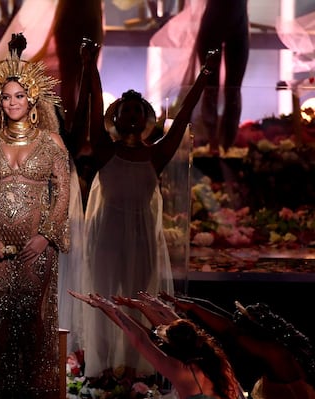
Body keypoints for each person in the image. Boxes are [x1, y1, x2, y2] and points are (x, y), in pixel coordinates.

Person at [76, 39, 218, 376]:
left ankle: (139, 369)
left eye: (137, 109)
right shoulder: (104, 149)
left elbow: (183, 116)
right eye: (126, 109)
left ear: (145, 118)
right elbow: (95, 102)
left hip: (141, 236)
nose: (131, 114)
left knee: (141, 302)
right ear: (117, 117)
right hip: (107, 234)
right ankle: (104, 368)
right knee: (105, 300)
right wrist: (88, 63)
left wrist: (204, 75)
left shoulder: (156, 154)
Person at [0, 48, 70, 398]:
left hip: (36, 246)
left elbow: (63, 193)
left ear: (33, 96)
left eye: (19, 95)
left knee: (32, 317)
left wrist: (46, 236)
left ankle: (35, 389)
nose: (13, 103)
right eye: (6, 97)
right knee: (2, 318)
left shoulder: (51, 142)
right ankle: (3, 389)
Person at [70, 291, 241, 399]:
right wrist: (145, 307)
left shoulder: (180, 370)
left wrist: (110, 307)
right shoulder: (217, 358)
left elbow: (140, 339)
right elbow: (180, 328)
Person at [160, 292, 315, 399]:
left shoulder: (275, 353)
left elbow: (231, 330)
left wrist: (193, 307)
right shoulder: (278, 349)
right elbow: (230, 325)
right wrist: (191, 305)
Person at [194, 0, 249, 154]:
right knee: (211, 89)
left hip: (237, 24)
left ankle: (227, 147)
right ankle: (213, 145)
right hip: (215, 25)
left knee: (232, 91)